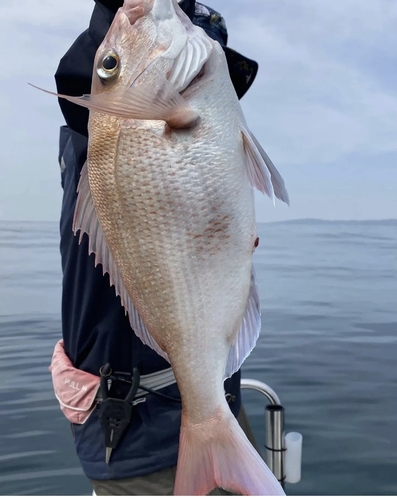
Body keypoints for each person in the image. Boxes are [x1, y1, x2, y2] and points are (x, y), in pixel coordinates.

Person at [51, 0, 261, 495]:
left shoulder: (206, 108)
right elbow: (96, 69)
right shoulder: (100, 124)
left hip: (213, 402)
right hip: (136, 441)